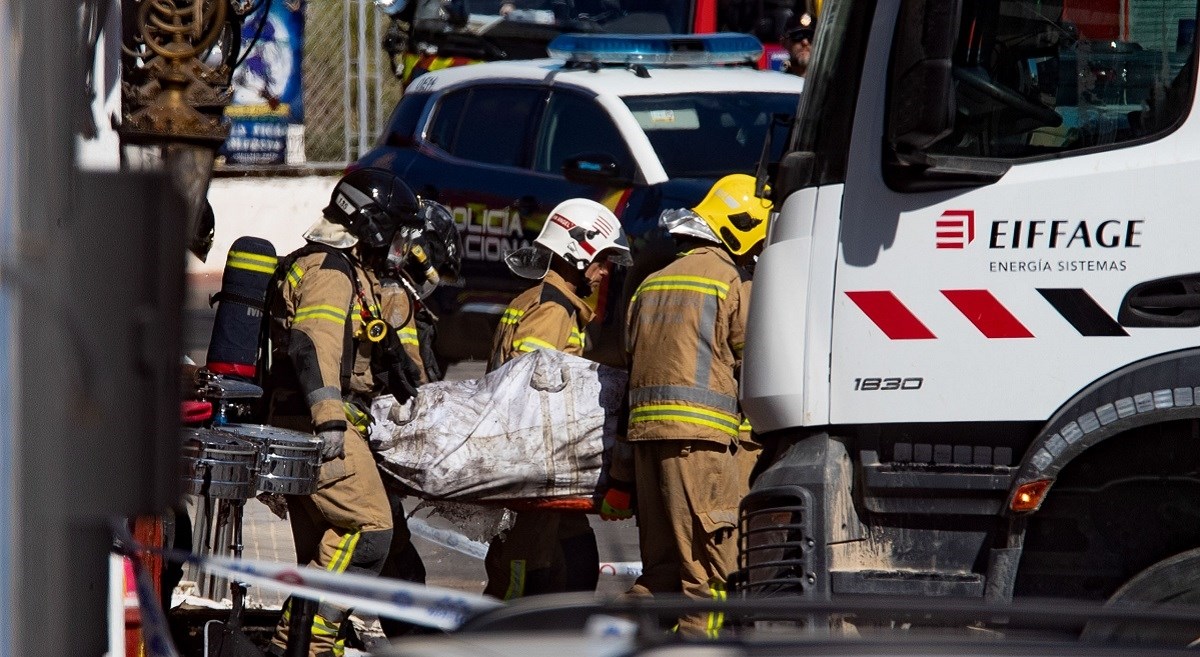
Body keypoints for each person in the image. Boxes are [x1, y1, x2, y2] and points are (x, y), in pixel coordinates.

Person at [262, 167, 423, 657]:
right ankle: (311, 639)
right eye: (395, 232)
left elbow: (349, 346)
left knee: (324, 550)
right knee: (371, 530)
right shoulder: (331, 271)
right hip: (319, 427)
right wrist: (330, 418)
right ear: (372, 225)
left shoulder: (335, 268)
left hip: (298, 421)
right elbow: (313, 344)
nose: (399, 245)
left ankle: (293, 647)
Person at [622, 173, 770, 638]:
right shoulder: (731, 282)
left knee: (660, 573)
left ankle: (615, 639)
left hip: (648, 448)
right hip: (701, 450)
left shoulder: (650, 283)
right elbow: (757, 366)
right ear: (742, 227)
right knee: (709, 578)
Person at [483, 197, 633, 600]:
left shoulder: (541, 301)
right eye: (602, 261)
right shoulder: (552, 310)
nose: (604, 273)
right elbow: (527, 389)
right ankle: (499, 636)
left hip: (548, 465)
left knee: (576, 556)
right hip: (534, 464)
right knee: (526, 572)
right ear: (577, 254)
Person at [371, 198, 463, 639]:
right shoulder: (395, 297)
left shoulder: (390, 291)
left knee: (391, 557)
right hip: (365, 447)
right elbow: (413, 386)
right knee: (393, 559)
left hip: (368, 445)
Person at [784, 12, 815, 78]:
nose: (805, 42)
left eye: (811, 36)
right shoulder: (778, 83)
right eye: (798, 36)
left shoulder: (829, 83)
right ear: (784, 43)